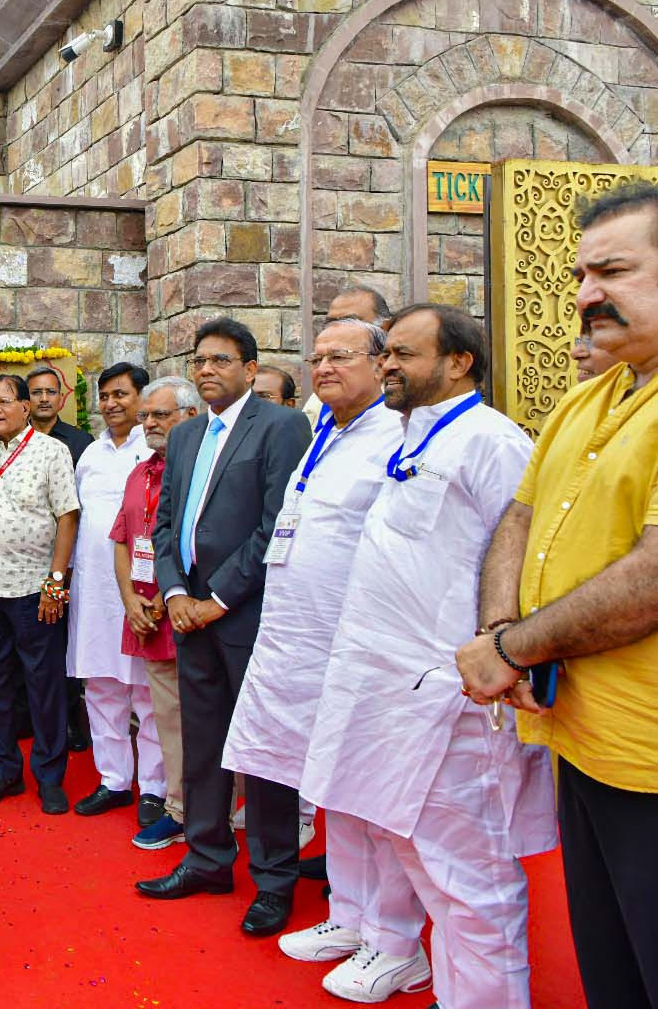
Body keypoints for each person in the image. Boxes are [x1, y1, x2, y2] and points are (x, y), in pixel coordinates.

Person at [303, 304, 556, 1009]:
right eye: (385, 355)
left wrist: (496, 653)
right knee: (424, 862)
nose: (387, 365)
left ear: (458, 362)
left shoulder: (491, 441)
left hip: (454, 701)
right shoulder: (412, 437)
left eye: (404, 355)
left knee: (471, 880)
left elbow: (522, 560)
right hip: (391, 693)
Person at [456, 181, 658, 1009]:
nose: (584, 296)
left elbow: (652, 576)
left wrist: (510, 649)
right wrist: (504, 627)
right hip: (583, 739)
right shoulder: (592, 393)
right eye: (579, 275)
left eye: (611, 271)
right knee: (611, 966)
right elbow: (522, 512)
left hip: (650, 758)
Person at [218, 319, 420, 995]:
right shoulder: (326, 432)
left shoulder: (397, 435)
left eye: (342, 356)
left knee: (369, 790)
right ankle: (352, 916)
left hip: (361, 643)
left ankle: (397, 939)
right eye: (318, 356)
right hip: (301, 642)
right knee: (335, 788)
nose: (324, 366)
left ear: (382, 362)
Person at [134, 318, 312, 940]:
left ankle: (273, 880)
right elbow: (165, 527)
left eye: (221, 361)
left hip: (249, 615)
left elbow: (277, 525)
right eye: (200, 361)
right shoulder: (184, 439)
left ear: (247, 368)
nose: (207, 370)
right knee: (203, 741)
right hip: (190, 616)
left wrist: (218, 598)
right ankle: (208, 859)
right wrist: (178, 591)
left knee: (261, 751)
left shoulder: (283, 427)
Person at [0, 373, 81, 815]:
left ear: (26, 407)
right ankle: (5, 771)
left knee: (44, 683)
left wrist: (56, 582)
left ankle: (49, 776)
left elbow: (68, 517)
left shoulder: (52, 452)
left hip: (34, 589)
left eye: (4, 401)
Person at [66, 362, 159, 817]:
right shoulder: (91, 453)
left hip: (141, 590)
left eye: (120, 394)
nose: (111, 404)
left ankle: (156, 788)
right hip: (94, 590)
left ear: (141, 398)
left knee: (147, 691)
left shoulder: (156, 448)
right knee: (101, 686)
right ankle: (114, 779)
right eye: (104, 396)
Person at [110, 376, 200, 847]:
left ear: (190, 415)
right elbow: (122, 539)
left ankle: (214, 810)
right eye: (145, 415)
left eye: (159, 415)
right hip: (146, 614)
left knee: (205, 717)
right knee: (167, 717)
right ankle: (180, 808)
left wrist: (172, 596)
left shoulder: (203, 470)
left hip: (192, 614)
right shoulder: (139, 472)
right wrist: (130, 600)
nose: (148, 424)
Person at [26, 363, 94, 753]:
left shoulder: (81, 443)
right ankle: (28, 720)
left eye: (51, 391)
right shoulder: (15, 439)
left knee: (63, 645)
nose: (45, 398)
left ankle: (69, 723)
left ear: (62, 396)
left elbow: (81, 507)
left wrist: (66, 566)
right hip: (27, 559)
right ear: (27, 399)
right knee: (29, 646)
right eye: (37, 392)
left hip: (66, 559)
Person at [303, 288, 393, 425]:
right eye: (330, 323)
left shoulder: (403, 405)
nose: (323, 369)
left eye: (351, 321)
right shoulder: (321, 399)